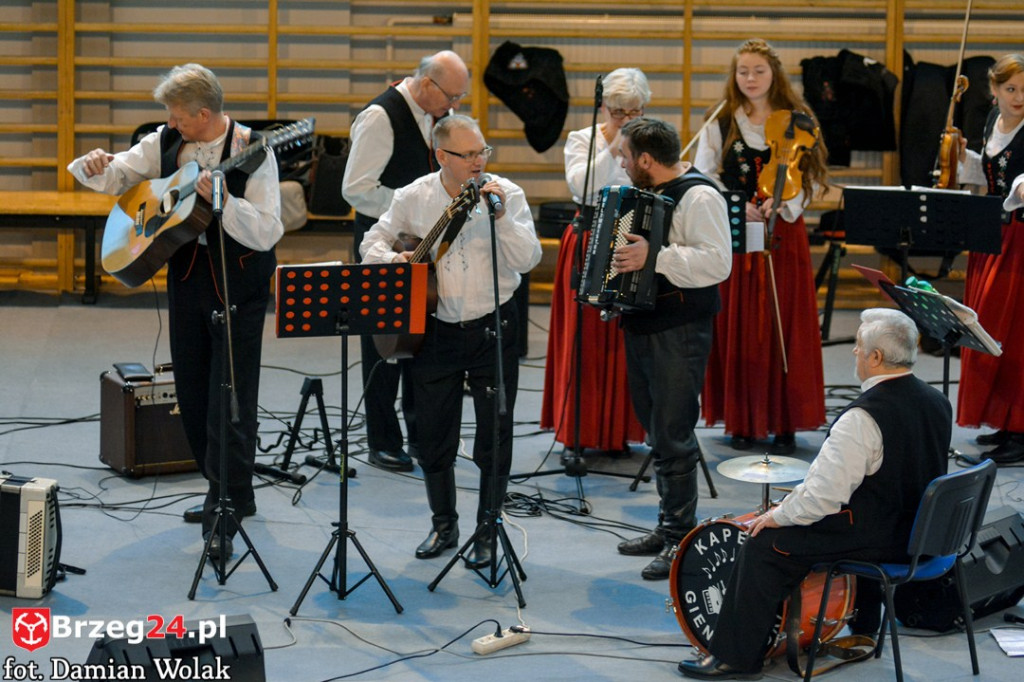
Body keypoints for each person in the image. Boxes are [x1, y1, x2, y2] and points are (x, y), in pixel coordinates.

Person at [68, 63, 283, 559]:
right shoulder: (167, 139)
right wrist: (94, 165)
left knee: (231, 395)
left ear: (204, 114)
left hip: (239, 281)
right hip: (187, 279)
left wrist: (224, 201)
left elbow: (268, 229)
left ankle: (225, 504)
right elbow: (122, 175)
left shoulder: (255, 151)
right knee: (192, 389)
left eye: (178, 116)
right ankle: (226, 488)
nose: (171, 123)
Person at [679, 308, 952, 680]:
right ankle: (865, 624)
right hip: (925, 536)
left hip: (882, 539)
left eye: (858, 346)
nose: (854, 352)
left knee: (764, 543)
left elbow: (823, 498)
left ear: (875, 357)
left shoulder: (862, 418)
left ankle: (735, 657)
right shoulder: (937, 400)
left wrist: (776, 516)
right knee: (851, 505)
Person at [360, 115, 541, 567]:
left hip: (493, 327)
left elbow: (528, 258)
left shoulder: (506, 194)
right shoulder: (413, 196)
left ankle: (488, 528)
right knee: (433, 433)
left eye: (483, 151)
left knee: (495, 434)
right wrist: (396, 259)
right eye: (469, 154)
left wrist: (502, 218)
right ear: (442, 155)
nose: (480, 161)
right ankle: (444, 524)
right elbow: (371, 243)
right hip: (435, 331)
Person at [694, 38, 829, 455]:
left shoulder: (799, 120)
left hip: (783, 234)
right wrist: (736, 205)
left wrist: (785, 203)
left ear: (774, 74)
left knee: (782, 322)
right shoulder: (720, 120)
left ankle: (785, 420)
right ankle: (743, 420)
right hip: (737, 233)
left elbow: (812, 177)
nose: (750, 78)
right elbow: (703, 175)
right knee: (739, 324)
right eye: (743, 71)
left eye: (759, 71)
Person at [611, 117, 732, 580]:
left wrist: (655, 257)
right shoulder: (649, 192)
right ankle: (668, 526)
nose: (621, 163)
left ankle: (681, 538)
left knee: (674, 432)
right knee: (656, 429)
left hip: (680, 329)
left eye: (625, 156)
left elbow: (718, 263)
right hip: (644, 323)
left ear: (645, 159)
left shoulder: (700, 196)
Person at [342, 50, 470, 473]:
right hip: (383, 244)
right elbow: (356, 188)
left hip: (427, 244)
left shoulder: (439, 114)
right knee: (383, 344)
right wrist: (410, 208)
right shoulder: (380, 117)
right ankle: (382, 440)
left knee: (425, 339)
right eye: (451, 96)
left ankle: (422, 433)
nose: (454, 105)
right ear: (427, 84)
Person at [540, 67, 649, 455]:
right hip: (589, 235)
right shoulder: (582, 139)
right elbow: (582, 185)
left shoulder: (647, 140)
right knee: (582, 335)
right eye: (618, 111)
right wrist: (617, 140)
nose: (626, 119)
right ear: (603, 107)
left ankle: (617, 432)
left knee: (624, 337)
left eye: (634, 112)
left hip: (631, 237)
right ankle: (579, 431)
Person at [956, 53, 1024, 464]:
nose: (1019, 98)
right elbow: (989, 173)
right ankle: (1003, 421)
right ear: (995, 91)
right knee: (990, 329)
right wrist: (962, 156)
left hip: (1020, 240)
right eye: (1011, 89)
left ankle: (1020, 427)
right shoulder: (992, 122)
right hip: (993, 235)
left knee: (1015, 333)